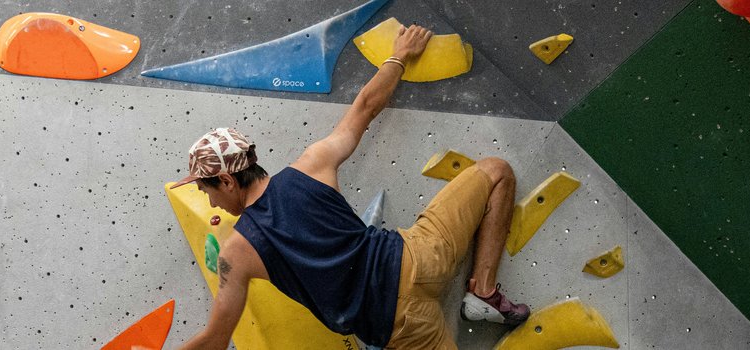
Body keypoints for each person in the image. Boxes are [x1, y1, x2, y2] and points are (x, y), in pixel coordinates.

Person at [171, 25, 529, 350]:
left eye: (207, 190)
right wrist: (399, 55)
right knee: (496, 172)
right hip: (417, 256)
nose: (210, 201)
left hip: (400, 325)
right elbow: (365, 107)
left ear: (227, 180)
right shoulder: (312, 164)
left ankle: (482, 296)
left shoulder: (238, 253)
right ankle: (483, 291)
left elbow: (215, 341)